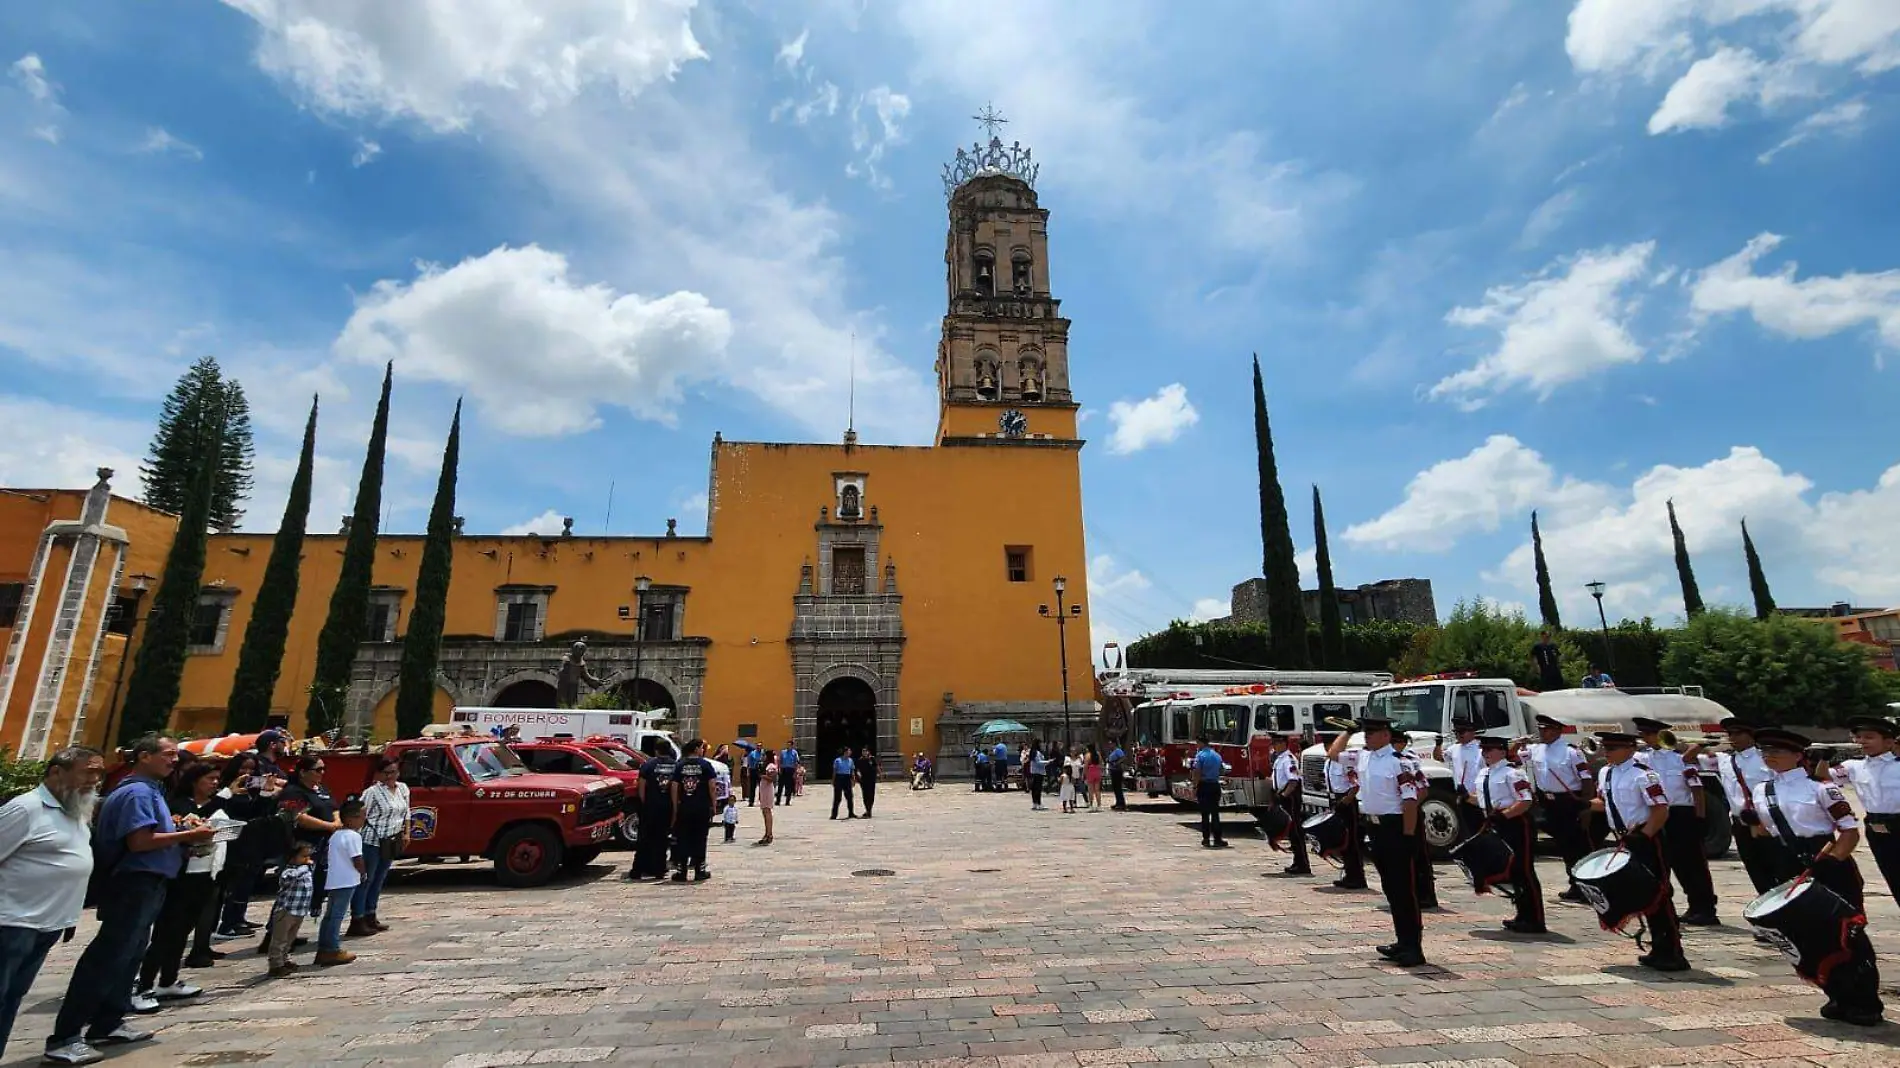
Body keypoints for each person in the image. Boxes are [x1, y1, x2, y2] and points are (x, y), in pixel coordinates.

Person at [44, 735, 216, 1066]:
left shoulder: (150, 791)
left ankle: (108, 1023)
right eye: (167, 755)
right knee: (109, 956)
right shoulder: (136, 792)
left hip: (149, 883)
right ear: (143, 756)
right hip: (133, 883)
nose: (174, 761)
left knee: (130, 954)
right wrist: (189, 836)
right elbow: (140, 842)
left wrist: (180, 830)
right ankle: (65, 1035)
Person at [1752, 727, 1882, 1026]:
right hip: (1788, 862)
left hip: (1827, 862)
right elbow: (1763, 830)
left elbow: (1849, 832)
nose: (1770, 757)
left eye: (1778, 752)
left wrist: (1833, 861)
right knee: (1808, 935)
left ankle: (1865, 1000)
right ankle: (1836, 993)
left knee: (1847, 934)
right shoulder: (1762, 789)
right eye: (1766, 752)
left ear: (1799, 756)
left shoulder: (1822, 789)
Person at [0, 746, 102, 1063]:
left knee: (12, 997)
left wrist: (68, 915)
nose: (94, 780)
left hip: (47, 924)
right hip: (12, 921)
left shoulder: (75, 811)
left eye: (99, 773)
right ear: (57, 771)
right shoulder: (26, 809)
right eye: (88, 772)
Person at [1590, 731, 1688, 972]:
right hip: (1626, 837)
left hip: (1647, 838)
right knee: (1643, 894)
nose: (1607, 752)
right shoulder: (1606, 773)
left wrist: (1645, 836)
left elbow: (1661, 809)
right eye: (1606, 748)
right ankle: (1658, 947)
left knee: (1659, 894)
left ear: (1630, 749)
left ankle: (1672, 952)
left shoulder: (1644, 775)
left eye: (1613, 748)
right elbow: (1606, 803)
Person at [137, 761, 226, 1002]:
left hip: (206, 872)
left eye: (217, 779)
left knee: (183, 930)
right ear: (195, 780)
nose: (215, 783)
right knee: (166, 931)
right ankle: (144, 983)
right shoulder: (176, 804)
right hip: (179, 874)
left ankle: (169, 979)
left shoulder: (220, 805)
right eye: (210, 779)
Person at [1632, 717, 1718, 925]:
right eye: (1644, 734)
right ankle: (1663, 906)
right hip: (1656, 813)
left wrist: (1700, 818)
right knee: (1662, 862)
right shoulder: (1640, 758)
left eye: (1651, 734)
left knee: (1691, 864)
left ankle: (1704, 907)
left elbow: (1696, 789)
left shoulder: (1680, 759)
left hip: (1681, 814)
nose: (1647, 738)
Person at [257, 755, 341, 958]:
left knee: (308, 892)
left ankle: (290, 934)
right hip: (299, 848)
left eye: (323, 769)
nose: (322, 773)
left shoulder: (320, 789)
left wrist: (336, 822)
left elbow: (334, 807)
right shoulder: (293, 792)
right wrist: (329, 826)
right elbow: (297, 816)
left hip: (321, 847)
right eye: (317, 769)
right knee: (290, 893)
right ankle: (274, 936)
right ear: (303, 772)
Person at [1357, 718, 1425, 968]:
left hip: (1395, 827)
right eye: (1366, 732)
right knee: (1391, 888)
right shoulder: (1365, 758)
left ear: (1386, 735)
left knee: (1404, 890)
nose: (1367, 737)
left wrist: (1408, 835)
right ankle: (1402, 940)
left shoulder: (1400, 763)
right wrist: (1347, 731)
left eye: (1372, 732)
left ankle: (1413, 947)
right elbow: (1334, 755)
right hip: (1375, 827)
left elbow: (1410, 800)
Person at [1517, 714, 1594, 904]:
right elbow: (1514, 757)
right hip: (1547, 802)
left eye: (1547, 729)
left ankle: (1585, 886)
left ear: (1558, 731)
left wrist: (1586, 806)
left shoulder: (1571, 752)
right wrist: (1520, 743)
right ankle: (1575, 884)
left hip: (1568, 800)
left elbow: (1586, 778)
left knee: (1576, 846)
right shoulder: (1536, 749)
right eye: (1541, 729)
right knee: (1562, 845)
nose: (1543, 733)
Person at [1475, 735, 1545, 934]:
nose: (1485, 753)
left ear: (1503, 752)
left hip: (1516, 823)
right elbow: (1483, 798)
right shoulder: (1484, 773)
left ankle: (1535, 919)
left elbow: (1525, 800)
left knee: (1524, 870)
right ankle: (1522, 915)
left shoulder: (1513, 773)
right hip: (1497, 822)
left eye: (1490, 750)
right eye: (1483, 750)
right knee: (1512, 871)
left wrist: (1504, 816)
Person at [1827, 715, 1900, 904]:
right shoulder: (1854, 766)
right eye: (1858, 737)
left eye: (1869, 737)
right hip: (1876, 828)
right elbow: (1824, 780)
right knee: (1894, 878)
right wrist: (1822, 760)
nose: (1861, 741)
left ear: (1889, 741)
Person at [212, 753, 279, 941]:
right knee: (234, 883)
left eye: (251, 769)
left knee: (247, 881)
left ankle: (238, 918)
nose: (247, 773)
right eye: (243, 768)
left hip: (253, 839)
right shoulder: (225, 789)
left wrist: (266, 791)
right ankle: (227, 924)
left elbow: (259, 810)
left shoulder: (252, 789)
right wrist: (231, 792)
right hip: (233, 841)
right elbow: (219, 810)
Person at [1710, 719, 1778, 897]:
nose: (1733, 738)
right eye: (1730, 734)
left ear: (1750, 736)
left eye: (1738, 734)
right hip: (1740, 821)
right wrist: (1708, 742)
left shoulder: (1765, 758)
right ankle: (1766, 901)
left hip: (1765, 819)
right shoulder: (1725, 760)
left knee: (1775, 862)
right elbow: (1687, 759)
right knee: (1753, 864)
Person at [351, 757, 408, 937]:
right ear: (379, 774)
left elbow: (407, 811)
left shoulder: (403, 789)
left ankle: (371, 914)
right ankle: (358, 918)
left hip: (390, 840)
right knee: (366, 879)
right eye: (387, 773)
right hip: (372, 840)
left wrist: (406, 832)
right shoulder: (372, 792)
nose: (390, 776)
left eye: (394, 772)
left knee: (379, 879)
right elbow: (359, 813)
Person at [1390, 733, 1438, 910]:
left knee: (1419, 856)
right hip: (1396, 814)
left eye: (1395, 742)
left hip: (1411, 812)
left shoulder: (1408, 760)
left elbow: (1423, 790)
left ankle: (1426, 894)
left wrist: (1408, 809)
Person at [315, 801, 366, 967]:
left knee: (330, 915)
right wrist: (363, 872)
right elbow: (357, 858)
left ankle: (324, 947)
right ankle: (331, 948)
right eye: (361, 817)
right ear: (351, 818)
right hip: (347, 880)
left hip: (335, 879)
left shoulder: (336, 835)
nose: (363, 820)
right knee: (337, 915)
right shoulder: (354, 836)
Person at [625, 742, 679, 880]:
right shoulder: (675, 766)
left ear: (656, 751)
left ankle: (637, 870)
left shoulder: (648, 765)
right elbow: (675, 789)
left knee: (644, 839)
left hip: (650, 806)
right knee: (661, 840)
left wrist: (644, 803)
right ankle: (659, 870)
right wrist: (674, 808)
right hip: (666, 807)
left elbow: (641, 787)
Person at [1321, 731, 1367, 890]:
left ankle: (1357, 877)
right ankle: (1349, 874)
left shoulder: (1344, 761)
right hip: (1335, 799)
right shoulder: (1328, 762)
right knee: (1341, 841)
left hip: (1346, 802)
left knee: (1352, 841)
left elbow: (1355, 785)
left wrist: (1346, 801)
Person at [266, 842, 315, 979]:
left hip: (299, 910)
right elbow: (289, 878)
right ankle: (275, 965)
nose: (307, 859)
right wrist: (304, 868)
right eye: (303, 856)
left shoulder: (306, 869)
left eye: (308, 856)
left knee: (290, 938)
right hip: (286, 910)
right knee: (279, 939)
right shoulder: (289, 871)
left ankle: (285, 960)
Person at [672, 739, 716, 882]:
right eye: (702, 748)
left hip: (685, 807)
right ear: (697, 749)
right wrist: (714, 804)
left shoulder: (680, 765)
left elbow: (674, 787)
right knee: (700, 839)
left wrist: (675, 806)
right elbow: (712, 787)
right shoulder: (706, 765)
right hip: (701, 807)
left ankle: (681, 872)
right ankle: (699, 871)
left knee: (683, 839)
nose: (703, 751)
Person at [1435, 719, 1483, 840]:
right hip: (1462, 795)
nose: (1459, 735)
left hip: (1477, 795)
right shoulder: (1454, 748)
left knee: (1479, 827)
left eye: (1463, 731)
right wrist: (1438, 744)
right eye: (1457, 732)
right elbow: (1439, 757)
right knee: (1465, 828)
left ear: (1472, 732)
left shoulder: (1480, 748)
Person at [1269, 733, 1309, 876]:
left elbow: (1293, 780)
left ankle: (1303, 864)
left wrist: (1284, 796)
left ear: (1284, 743)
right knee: (1291, 832)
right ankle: (1297, 862)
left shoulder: (1288, 759)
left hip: (1289, 798)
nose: (1273, 745)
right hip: (1281, 794)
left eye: (1276, 742)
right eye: (1273, 742)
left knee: (1295, 831)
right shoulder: (1279, 758)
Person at [1190, 736, 1227, 848]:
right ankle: (1217, 839)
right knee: (1215, 813)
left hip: (1204, 786)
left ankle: (1206, 839)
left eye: (1197, 743)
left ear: (1202, 743)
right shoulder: (1217, 755)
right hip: (1215, 785)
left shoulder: (1200, 755)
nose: (1197, 745)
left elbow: (1197, 771)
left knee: (1205, 814)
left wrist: (1195, 786)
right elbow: (1222, 770)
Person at [830, 748, 858, 820]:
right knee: (837, 798)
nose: (850, 752)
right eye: (849, 751)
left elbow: (852, 770)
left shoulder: (850, 760)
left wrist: (854, 779)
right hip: (839, 778)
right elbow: (834, 771)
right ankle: (834, 815)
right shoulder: (837, 760)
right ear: (845, 752)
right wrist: (833, 780)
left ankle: (851, 813)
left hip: (847, 778)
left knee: (849, 797)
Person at [754, 760, 777, 846]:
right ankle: (766, 833)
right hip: (764, 789)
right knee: (764, 812)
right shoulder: (764, 765)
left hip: (767, 790)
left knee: (767, 811)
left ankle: (769, 833)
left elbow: (772, 779)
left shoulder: (771, 766)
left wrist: (762, 776)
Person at [857, 746, 879, 817]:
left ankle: (869, 810)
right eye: (863, 751)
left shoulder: (872, 758)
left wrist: (880, 774)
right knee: (865, 795)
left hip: (871, 779)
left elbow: (876, 766)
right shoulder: (860, 760)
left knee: (871, 795)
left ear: (868, 752)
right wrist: (858, 774)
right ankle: (867, 810)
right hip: (864, 780)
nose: (864, 753)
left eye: (865, 751)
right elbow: (857, 769)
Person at [1027, 742, 1048, 812]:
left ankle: (1035, 803)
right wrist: (1048, 762)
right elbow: (1039, 762)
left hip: (1033, 772)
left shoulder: (1032, 752)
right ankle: (1038, 803)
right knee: (1038, 789)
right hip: (1039, 772)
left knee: (1034, 789)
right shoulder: (1037, 753)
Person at [1108, 738, 1127, 811]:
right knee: (1115, 788)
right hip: (1113, 770)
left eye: (1110, 744)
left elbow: (1123, 758)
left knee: (1118, 787)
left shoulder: (1118, 751)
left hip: (1117, 771)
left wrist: (1116, 763)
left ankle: (1122, 803)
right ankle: (1118, 802)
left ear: (1114, 744)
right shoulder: (1112, 752)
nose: (1109, 745)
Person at [1085, 746, 1104, 812]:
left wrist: (1084, 774)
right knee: (1097, 790)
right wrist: (1101, 771)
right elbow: (1101, 763)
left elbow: (1086, 765)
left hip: (1090, 771)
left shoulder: (1088, 755)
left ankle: (1091, 805)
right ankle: (1099, 805)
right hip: (1097, 771)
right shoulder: (1098, 754)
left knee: (1090, 790)